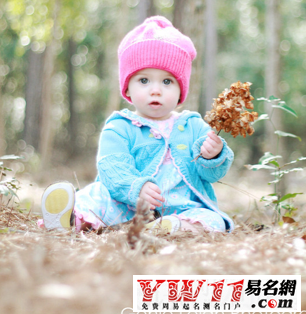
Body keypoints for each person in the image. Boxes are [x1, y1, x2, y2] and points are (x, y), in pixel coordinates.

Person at [40, 16, 234, 234]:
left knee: (211, 219)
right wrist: (135, 187)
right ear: (128, 88)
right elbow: (112, 166)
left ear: (181, 89)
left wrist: (213, 156)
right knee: (97, 196)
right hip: (126, 203)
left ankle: (172, 228)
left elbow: (211, 176)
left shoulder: (193, 125)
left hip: (182, 206)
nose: (155, 90)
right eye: (144, 80)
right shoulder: (120, 126)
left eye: (167, 81)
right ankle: (70, 219)